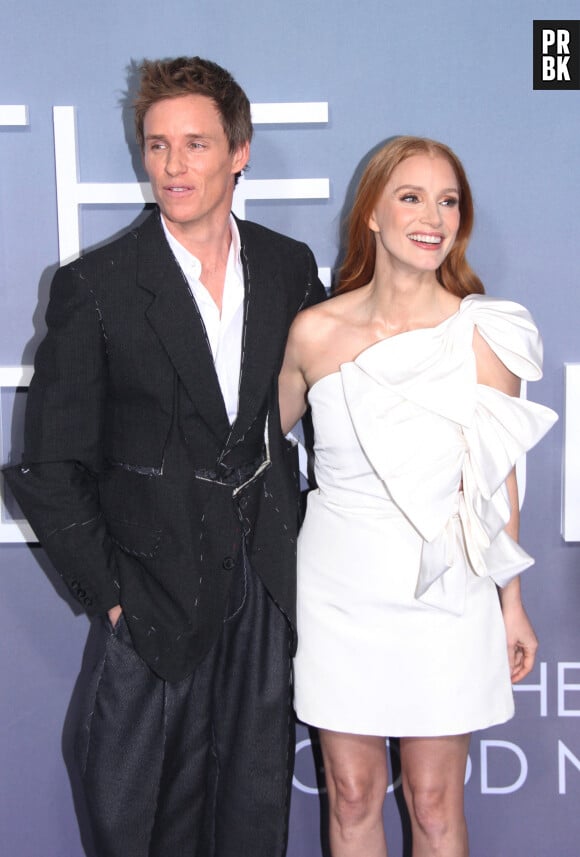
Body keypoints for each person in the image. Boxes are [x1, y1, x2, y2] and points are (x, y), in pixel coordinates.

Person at [4, 56, 325, 857]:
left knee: (252, 819)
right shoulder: (101, 284)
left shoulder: (289, 269)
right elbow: (46, 464)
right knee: (137, 820)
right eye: (157, 146)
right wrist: (113, 597)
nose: (174, 167)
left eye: (195, 145)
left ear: (239, 151)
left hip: (262, 586)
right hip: (150, 593)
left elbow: (324, 413)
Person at [279, 136, 557, 857]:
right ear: (371, 211)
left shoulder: (481, 332)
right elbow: (255, 443)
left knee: (435, 802)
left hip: (445, 585)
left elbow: (496, 475)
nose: (433, 216)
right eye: (411, 196)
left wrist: (512, 599)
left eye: (449, 200)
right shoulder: (314, 332)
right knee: (352, 794)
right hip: (340, 585)